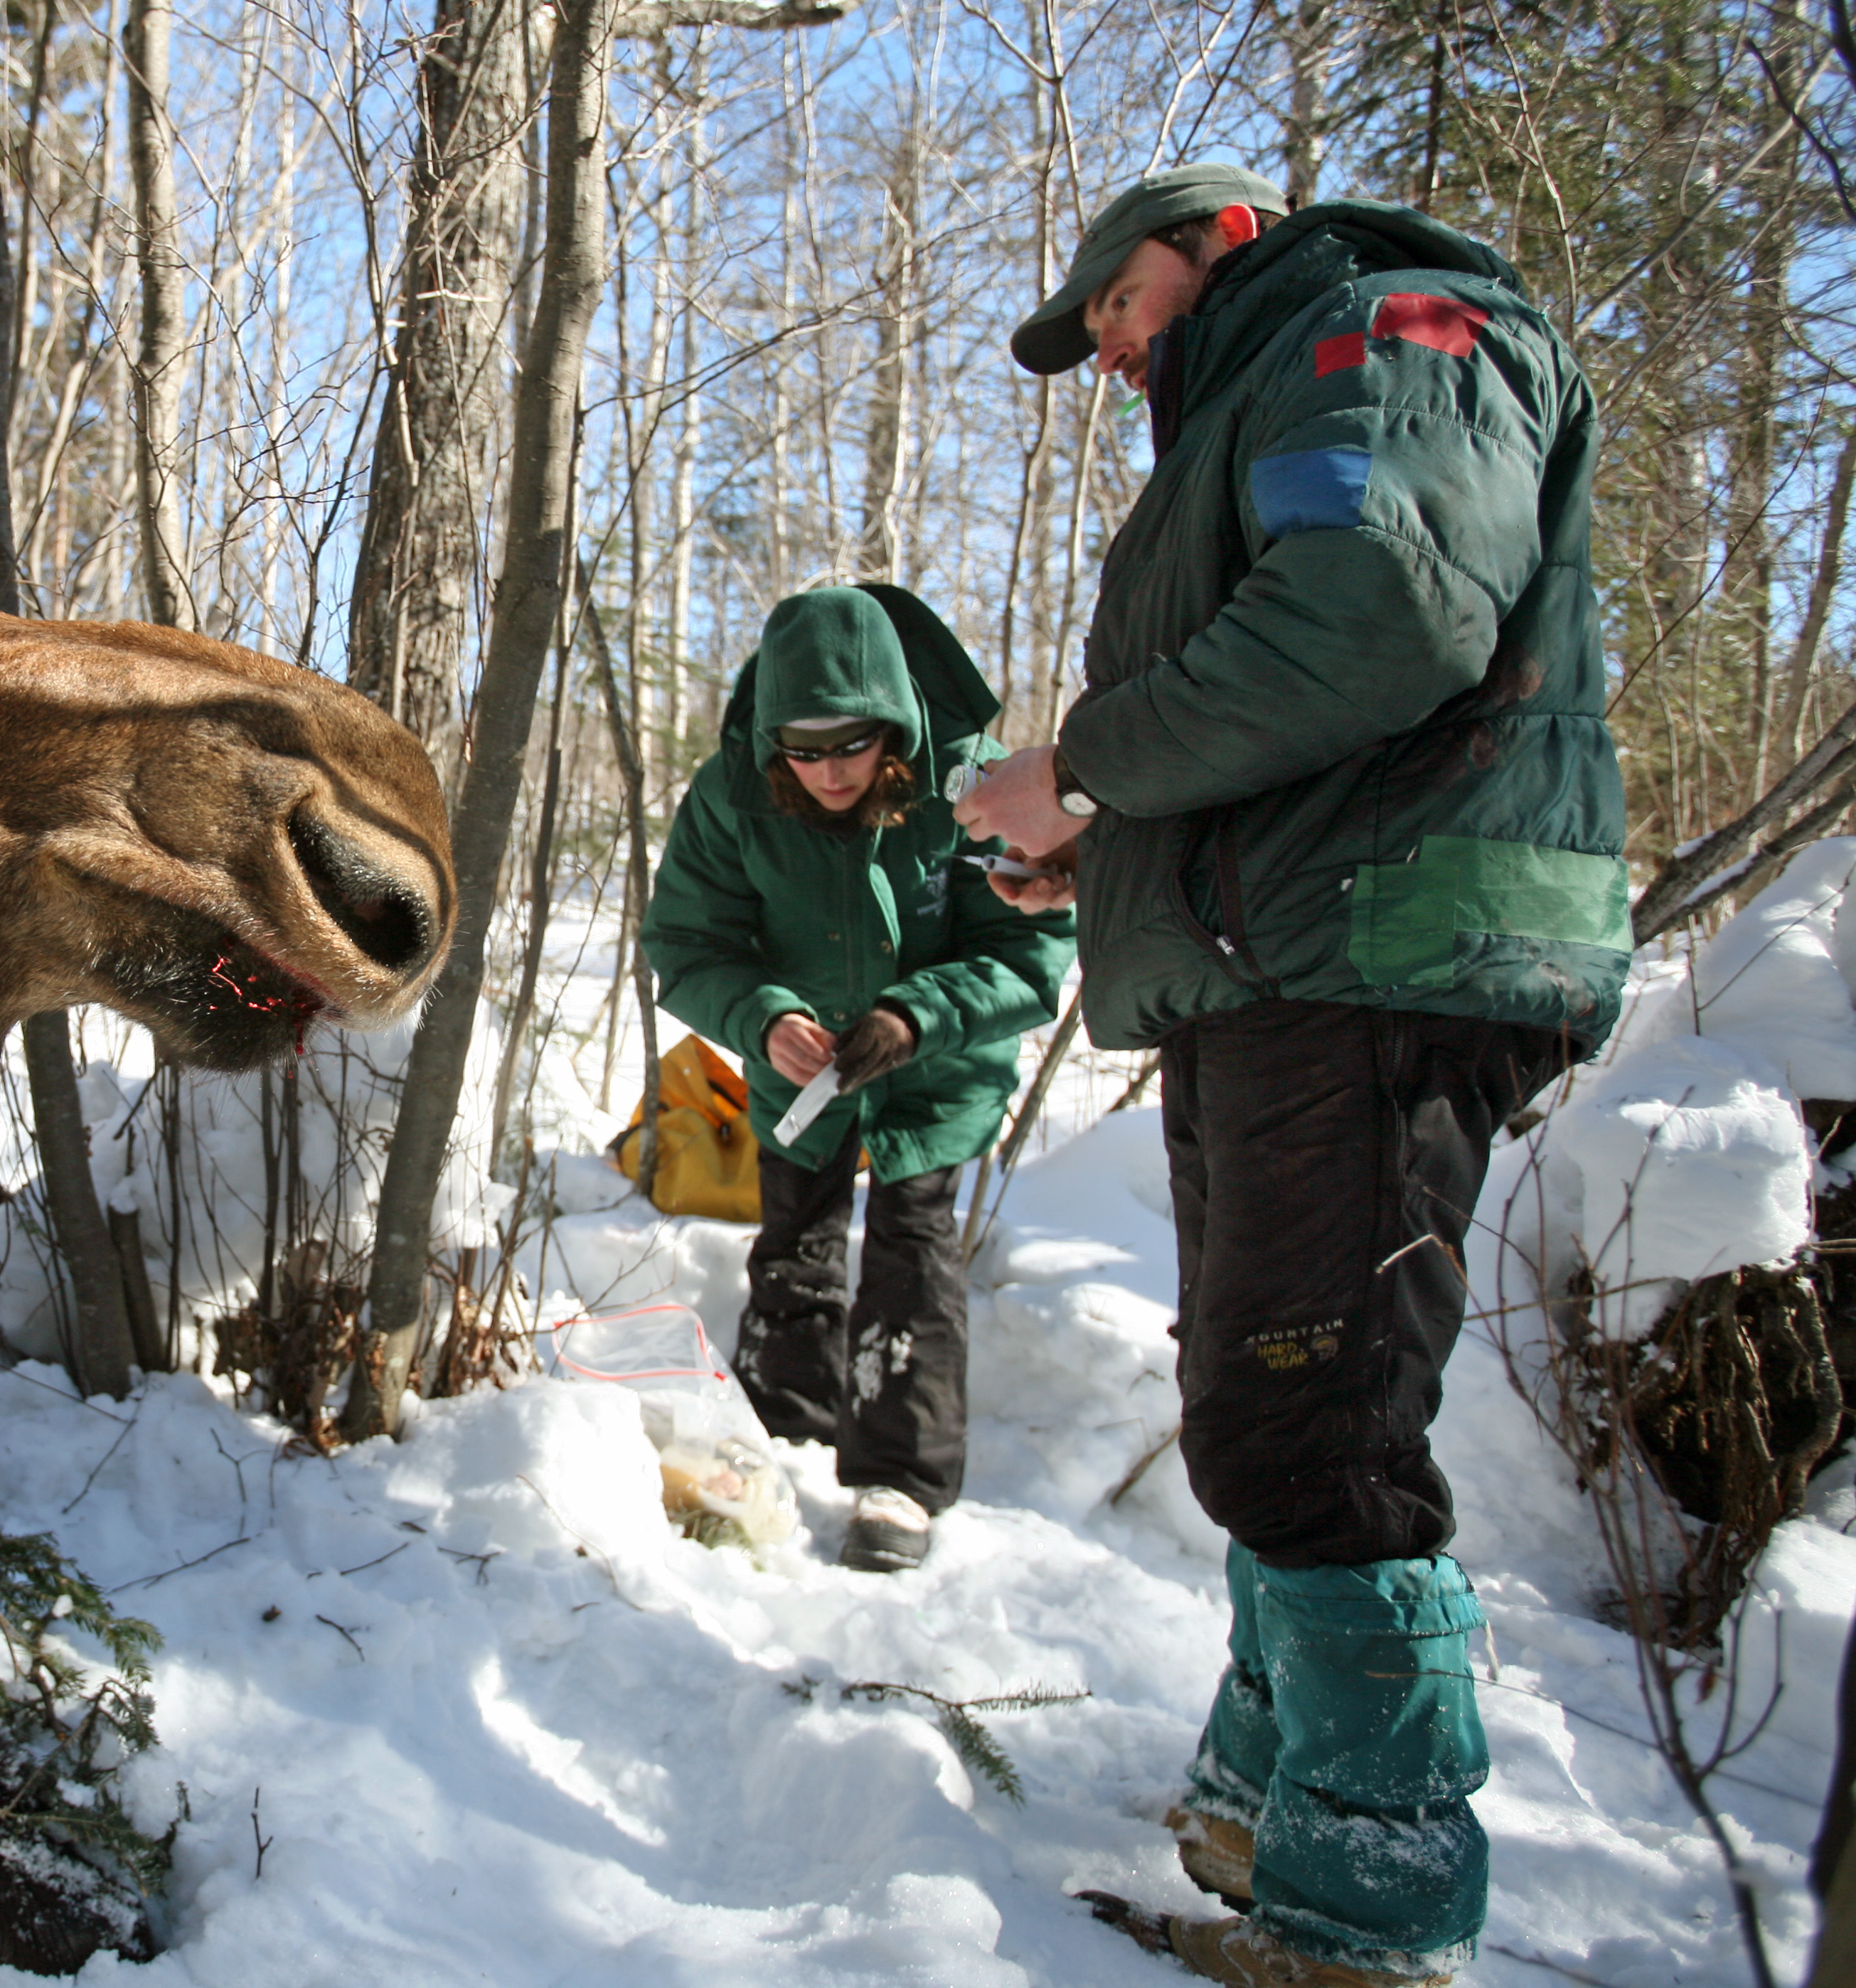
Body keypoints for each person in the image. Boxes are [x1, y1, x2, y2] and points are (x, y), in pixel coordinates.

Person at [961, 164, 1628, 1986]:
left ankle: (1371, 1916)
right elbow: (1286, 725)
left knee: (1310, 1425)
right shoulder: (1271, 391)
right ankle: (1273, 1810)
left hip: (1383, 955)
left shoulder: (1380, 332)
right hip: (1290, 964)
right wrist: (1090, 849)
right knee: (1257, 1394)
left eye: (1113, 303)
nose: (1106, 349)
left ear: (1211, 244)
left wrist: (1085, 764)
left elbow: (1389, 614)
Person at [644, 584, 1074, 1573]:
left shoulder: (973, 786)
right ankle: (773, 1446)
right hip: (798, 1078)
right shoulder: (732, 794)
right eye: (803, 747)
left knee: (913, 1263)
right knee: (791, 1247)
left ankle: (899, 1483)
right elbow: (686, 942)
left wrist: (913, 1016)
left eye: (853, 745)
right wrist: (761, 1015)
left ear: (894, 725)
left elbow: (1030, 955)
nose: (830, 771)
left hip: (937, 1076)